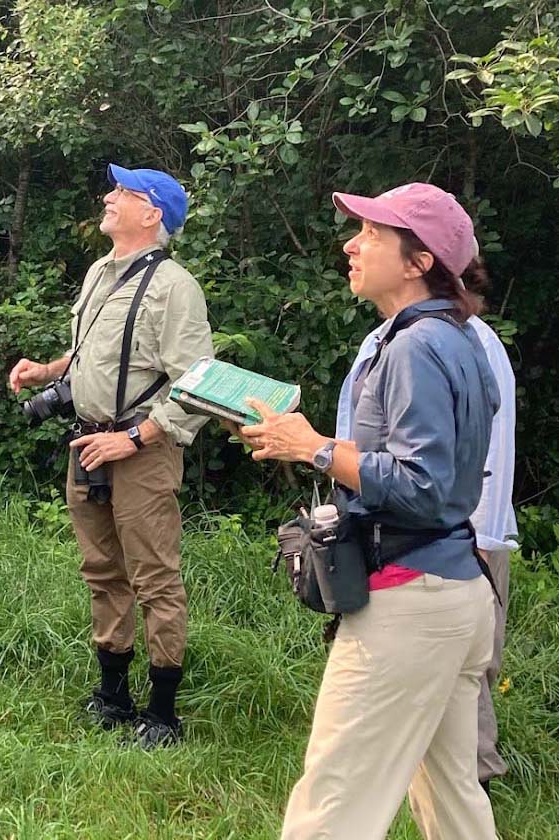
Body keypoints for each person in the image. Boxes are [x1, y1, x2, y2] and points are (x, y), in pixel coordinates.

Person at [237, 183, 499, 839]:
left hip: (409, 604)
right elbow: (417, 465)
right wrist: (305, 445)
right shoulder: (459, 338)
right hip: (456, 592)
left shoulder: (413, 347)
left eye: (371, 236)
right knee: (452, 801)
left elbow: (421, 485)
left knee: (333, 807)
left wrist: (317, 448)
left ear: (419, 262)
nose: (350, 245)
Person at [8, 164, 213, 748]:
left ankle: (164, 712)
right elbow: (88, 358)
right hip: (87, 443)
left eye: (122, 193)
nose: (108, 197)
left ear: (152, 215)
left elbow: (196, 385)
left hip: (140, 450)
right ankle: (114, 696)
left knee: (154, 577)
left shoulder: (176, 287)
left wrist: (135, 438)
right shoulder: (100, 272)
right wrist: (46, 372)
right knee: (102, 572)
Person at [336, 301, 517, 792]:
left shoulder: (462, 340)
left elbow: (488, 449)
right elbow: (362, 438)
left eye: (373, 235)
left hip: (456, 539)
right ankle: (450, 782)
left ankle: (480, 770)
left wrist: (479, 534)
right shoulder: (383, 338)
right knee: (444, 772)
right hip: (396, 539)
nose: (351, 248)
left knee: (467, 676)